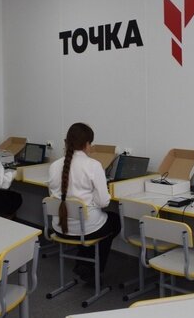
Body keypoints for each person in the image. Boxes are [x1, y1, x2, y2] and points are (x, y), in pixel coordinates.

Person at [48, 122, 121, 284]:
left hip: (59, 228)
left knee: (90, 225)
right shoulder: (93, 165)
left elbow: (53, 196)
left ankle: (84, 261)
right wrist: (91, 200)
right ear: (87, 144)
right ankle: (92, 268)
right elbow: (104, 202)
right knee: (115, 221)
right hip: (86, 229)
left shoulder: (54, 166)